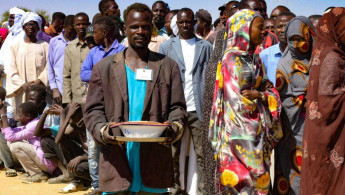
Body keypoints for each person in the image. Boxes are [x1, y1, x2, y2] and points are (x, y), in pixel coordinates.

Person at [83, 3, 186, 194]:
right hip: (117, 161)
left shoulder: (167, 67)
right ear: (125, 29)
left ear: (152, 30)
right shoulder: (104, 68)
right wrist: (103, 131)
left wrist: (174, 127)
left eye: (146, 27)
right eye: (134, 27)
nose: (140, 31)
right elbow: (92, 110)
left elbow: (177, 108)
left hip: (153, 162)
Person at [208, 9, 282, 194]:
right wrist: (261, 96)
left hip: (255, 137)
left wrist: (262, 96)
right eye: (259, 27)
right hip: (238, 139)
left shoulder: (255, 58)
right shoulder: (232, 59)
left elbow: (267, 89)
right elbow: (240, 104)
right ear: (244, 29)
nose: (264, 31)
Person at [159, 8, 213, 195]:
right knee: (172, 152)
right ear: (177, 23)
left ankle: (204, 191)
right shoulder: (166, 47)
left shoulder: (205, 46)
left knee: (202, 153)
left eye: (189, 22)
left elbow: (210, 76)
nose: (185, 25)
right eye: (181, 22)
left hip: (197, 109)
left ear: (195, 23)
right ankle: (173, 189)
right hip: (174, 108)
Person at [300, 7, 345, 195]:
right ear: (335, 28)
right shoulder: (333, 57)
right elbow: (328, 103)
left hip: (321, 134)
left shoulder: (330, 50)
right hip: (329, 135)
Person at [273, 16, 315, 195]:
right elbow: (283, 101)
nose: (296, 44)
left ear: (310, 37)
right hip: (290, 131)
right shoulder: (284, 65)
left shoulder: (319, 62)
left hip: (314, 131)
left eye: (301, 39)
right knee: (290, 174)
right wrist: (303, 101)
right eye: (292, 40)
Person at [1, 101, 57, 182]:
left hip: (48, 163)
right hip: (43, 160)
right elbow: (11, 132)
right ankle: (33, 172)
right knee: (10, 143)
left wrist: (3, 117)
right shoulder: (30, 124)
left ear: (28, 116)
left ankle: (37, 173)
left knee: (14, 146)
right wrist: (3, 121)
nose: (18, 118)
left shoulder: (34, 125)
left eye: (20, 115)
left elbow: (10, 136)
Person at [6, 12, 48, 113]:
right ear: (23, 27)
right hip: (21, 90)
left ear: (38, 28)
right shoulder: (15, 45)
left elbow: (49, 67)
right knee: (22, 116)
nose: (30, 27)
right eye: (28, 24)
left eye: (34, 24)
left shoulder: (45, 46)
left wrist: (40, 80)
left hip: (39, 89)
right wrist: (22, 84)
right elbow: (11, 68)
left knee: (39, 116)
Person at [80, 16, 126, 83]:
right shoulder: (94, 51)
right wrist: (105, 75)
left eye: (95, 33)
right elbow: (83, 74)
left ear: (104, 33)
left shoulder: (122, 51)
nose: (94, 36)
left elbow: (121, 75)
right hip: (96, 93)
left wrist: (95, 75)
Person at [47, 15, 77, 105]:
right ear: (64, 27)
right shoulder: (54, 41)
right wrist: (54, 88)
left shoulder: (79, 41)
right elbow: (50, 65)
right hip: (59, 90)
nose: (73, 34)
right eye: (71, 31)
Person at [259, 11, 295, 85]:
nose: (283, 30)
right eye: (279, 26)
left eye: (288, 26)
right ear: (275, 29)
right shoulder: (265, 55)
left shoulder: (303, 55)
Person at [62, 13, 90, 105]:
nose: (81, 27)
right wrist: (67, 100)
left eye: (84, 24)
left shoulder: (95, 46)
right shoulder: (70, 47)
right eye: (78, 24)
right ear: (74, 26)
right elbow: (67, 75)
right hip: (76, 99)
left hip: (92, 97)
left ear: (89, 25)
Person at [0, 87, 17, 177]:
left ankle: (9, 166)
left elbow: (6, 125)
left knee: (1, 135)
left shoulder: (9, 109)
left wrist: (2, 112)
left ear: (2, 100)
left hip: (9, 139)